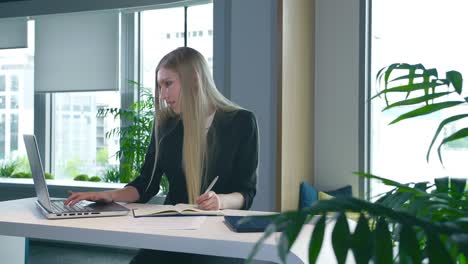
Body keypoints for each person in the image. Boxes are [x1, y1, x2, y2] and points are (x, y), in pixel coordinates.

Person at [64, 47, 259, 263]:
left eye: (168, 84)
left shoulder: (241, 123)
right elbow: (146, 184)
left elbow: (245, 192)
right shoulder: (166, 125)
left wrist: (220, 200)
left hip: (220, 234)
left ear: (193, 79)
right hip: (173, 230)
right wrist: (111, 196)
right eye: (160, 86)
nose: (163, 95)